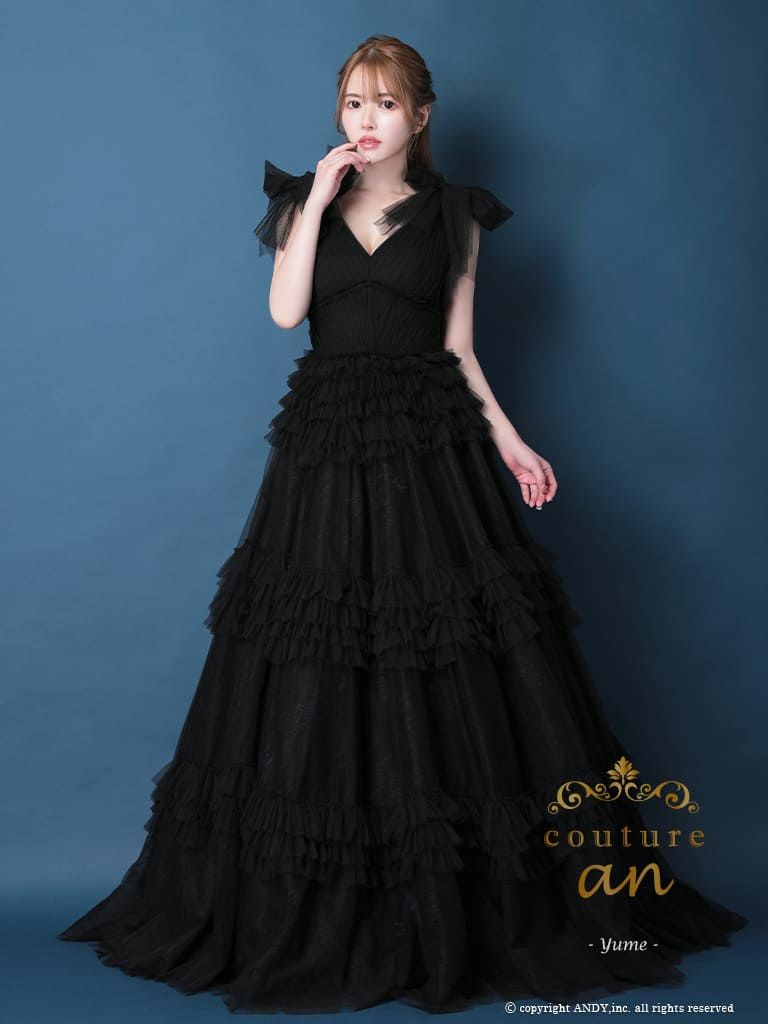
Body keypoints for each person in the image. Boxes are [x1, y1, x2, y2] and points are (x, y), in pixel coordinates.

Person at [57, 34, 748, 1014]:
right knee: (321, 650)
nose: (366, 119)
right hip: (327, 450)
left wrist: (511, 442)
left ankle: (463, 906)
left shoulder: (457, 215)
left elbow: (459, 349)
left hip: (431, 449)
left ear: (421, 116)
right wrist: (316, 203)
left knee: (448, 654)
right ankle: (318, 904)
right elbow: (285, 312)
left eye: (385, 103)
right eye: (353, 102)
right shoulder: (304, 202)